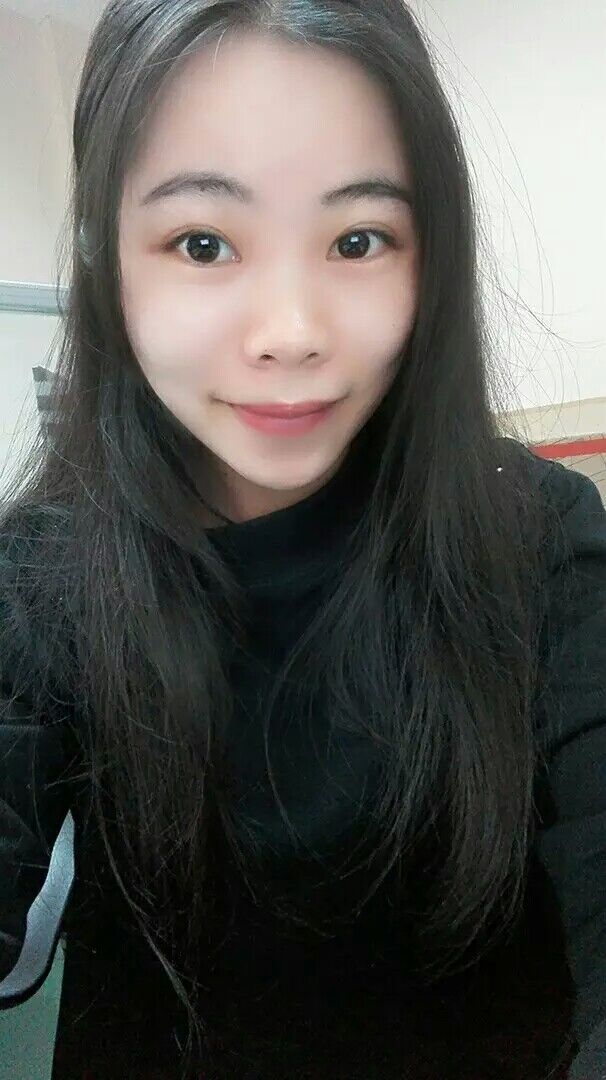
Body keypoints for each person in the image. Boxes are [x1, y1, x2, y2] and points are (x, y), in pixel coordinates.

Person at [0, 1, 604, 1077]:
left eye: (357, 240)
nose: (291, 334)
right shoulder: (41, 578)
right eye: (203, 243)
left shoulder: (540, 540)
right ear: (109, 260)